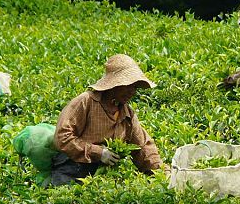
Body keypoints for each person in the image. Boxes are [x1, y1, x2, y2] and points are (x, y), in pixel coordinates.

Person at [51, 54, 165, 186]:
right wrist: (98, 152)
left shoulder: (127, 114)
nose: (132, 92)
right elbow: (62, 137)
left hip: (104, 178)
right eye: (128, 85)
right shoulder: (85, 102)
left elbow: (143, 148)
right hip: (71, 171)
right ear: (113, 85)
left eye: (135, 87)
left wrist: (163, 173)